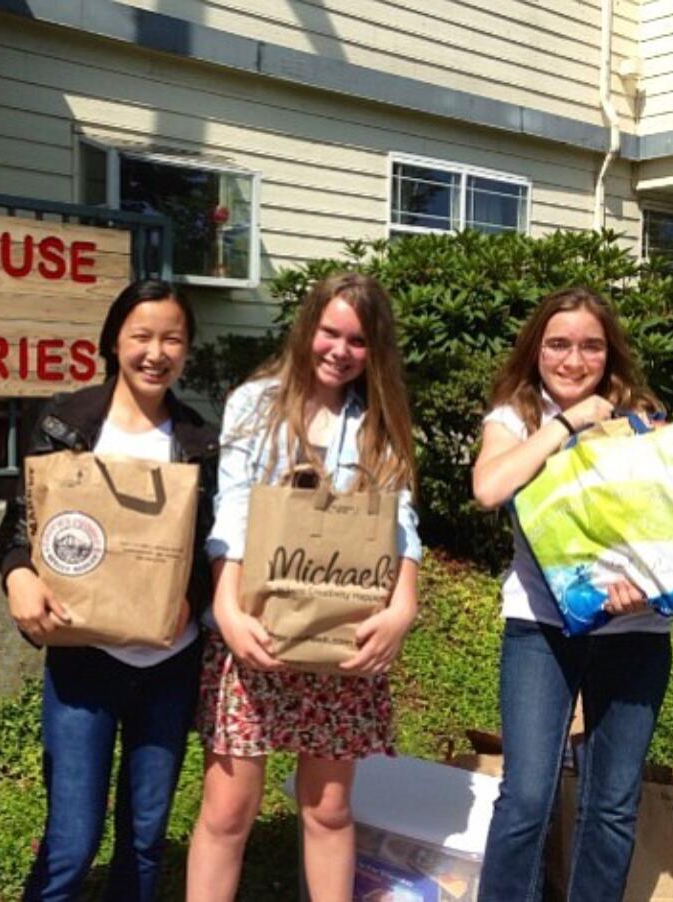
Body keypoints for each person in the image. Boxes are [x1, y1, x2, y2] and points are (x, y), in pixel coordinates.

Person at [186, 271, 422, 902]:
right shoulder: (255, 404)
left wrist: (403, 604)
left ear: (376, 350)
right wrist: (227, 610)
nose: (340, 351)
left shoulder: (380, 419)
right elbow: (232, 512)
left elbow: (400, 523)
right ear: (307, 327)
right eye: (330, 332)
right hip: (253, 633)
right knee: (227, 812)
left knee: (328, 812)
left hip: (340, 643)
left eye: (359, 340)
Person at [0, 279, 218, 902]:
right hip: (83, 661)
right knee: (71, 841)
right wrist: (19, 576)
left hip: (169, 665)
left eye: (172, 338)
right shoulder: (67, 422)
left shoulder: (200, 440)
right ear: (114, 341)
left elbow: (215, 546)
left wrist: (192, 599)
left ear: (188, 350)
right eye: (142, 336)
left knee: (145, 840)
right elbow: (21, 526)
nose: (156, 352)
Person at [472, 286, 670, 901]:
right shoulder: (514, 417)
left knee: (610, 804)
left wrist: (648, 584)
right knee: (528, 796)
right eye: (558, 344)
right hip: (541, 628)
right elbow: (490, 488)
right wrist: (565, 423)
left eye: (590, 346)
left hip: (634, 633)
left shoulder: (644, 417)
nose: (573, 360)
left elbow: (672, 520)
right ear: (537, 349)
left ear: (608, 353)